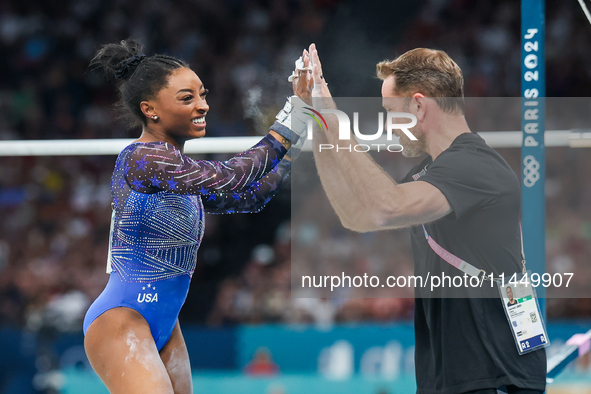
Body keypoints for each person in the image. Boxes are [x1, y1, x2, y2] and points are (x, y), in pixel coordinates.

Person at [292, 44, 546, 393]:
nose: (389, 125)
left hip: (492, 376)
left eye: (390, 112)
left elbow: (387, 207)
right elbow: (356, 214)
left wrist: (332, 113)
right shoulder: (430, 172)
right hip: (453, 377)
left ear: (418, 105)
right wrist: (319, 121)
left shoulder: (475, 166)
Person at [83, 39, 304, 394]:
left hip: (166, 325)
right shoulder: (142, 159)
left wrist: (294, 147)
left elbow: (250, 197)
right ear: (150, 109)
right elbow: (231, 175)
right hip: (121, 319)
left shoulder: (179, 176)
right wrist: (291, 121)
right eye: (187, 98)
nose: (202, 105)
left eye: (202, 94)